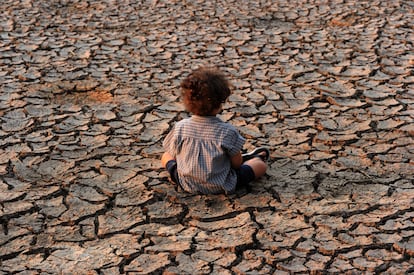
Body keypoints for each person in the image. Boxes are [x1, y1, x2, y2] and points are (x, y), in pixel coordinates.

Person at [161, 67, 269, 194]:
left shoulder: (180, 127)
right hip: (221, 185)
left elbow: (173, 154)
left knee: (165, 156)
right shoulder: (227, 132)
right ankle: (253, 157)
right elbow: (237, 164)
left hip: (186, 183)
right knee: (260, 165)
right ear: (220, 103)